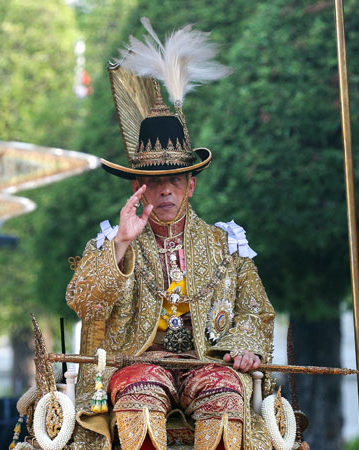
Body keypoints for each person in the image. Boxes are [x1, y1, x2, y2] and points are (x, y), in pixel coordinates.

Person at [66, 21, 275, 450]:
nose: (165, 190)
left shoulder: (225, 244)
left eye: (176, 180)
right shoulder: (110, 242)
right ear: (136, 186)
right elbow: (82, 301)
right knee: (140, 395)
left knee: (225, 396)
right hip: (137, 362)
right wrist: (122, 244)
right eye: (155, 181)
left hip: (206, 362)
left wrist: (246, 346)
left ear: (191, 184)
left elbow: (257, 313)